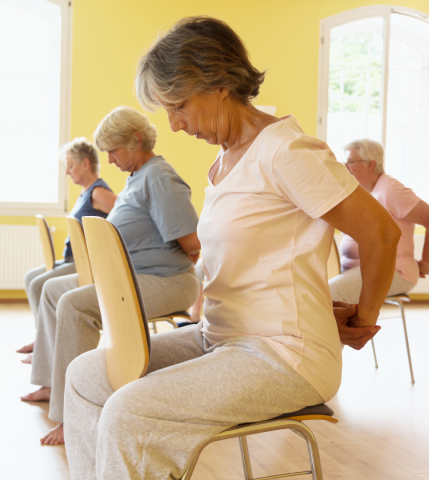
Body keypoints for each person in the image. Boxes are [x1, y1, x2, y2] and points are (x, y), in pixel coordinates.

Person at [63, 17, 400, 479]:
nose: (176, 125)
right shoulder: (222, 163)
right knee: (84, 377)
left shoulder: (288, 151)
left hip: (283, 354)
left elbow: (381, 233)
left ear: (218, 82)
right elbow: (250, 260)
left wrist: (361, 318)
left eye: (179, 106)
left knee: (130, 412)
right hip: (219, 338)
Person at [20, 106, 200, 446]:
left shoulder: (159, 176)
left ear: (135, 140)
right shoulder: (139, 177)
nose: (111, 160)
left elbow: (192, 242)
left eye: (113, 151)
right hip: (137, 274)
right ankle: (50, 382)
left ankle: (71, 415)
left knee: (74, 305)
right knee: (55, 291)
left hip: (167, 280)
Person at [17, 139, 116, 362]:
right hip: (73, 258)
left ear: (86, 164)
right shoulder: (86, 192)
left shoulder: (99, 192)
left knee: (38, 284)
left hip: (86, 262)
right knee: (31, 278)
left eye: (70, 166)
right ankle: (43, 339)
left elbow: (125, 217)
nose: (67, 172)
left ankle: (46, 348)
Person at [329, 139, 429, 304]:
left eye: (351, 161)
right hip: (360, 269)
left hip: (394, 270)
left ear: (371, 164)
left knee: (330, 294)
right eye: (345, 161)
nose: (346, 166)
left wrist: (427, 263)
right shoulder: (364, 192)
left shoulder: (391, 190)